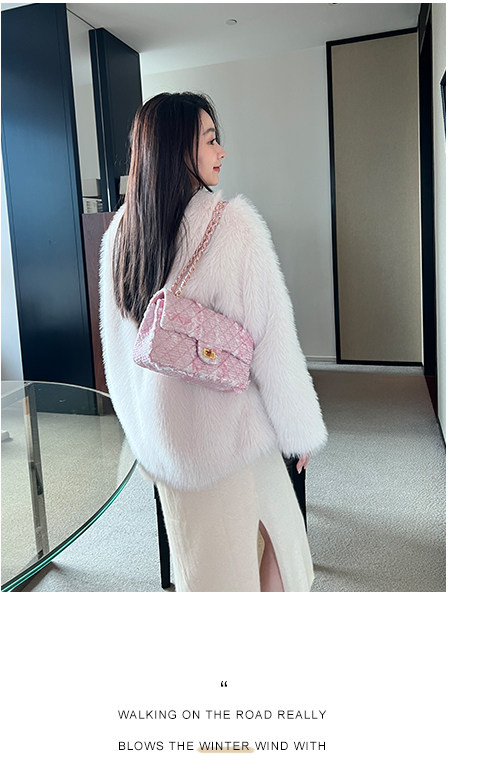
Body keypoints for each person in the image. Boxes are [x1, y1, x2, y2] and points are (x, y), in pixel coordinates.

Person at [99, 92, 328, 592]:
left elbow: (116, 350)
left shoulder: (120, 233)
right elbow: (272, 341)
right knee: (282, 551)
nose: (221, 151)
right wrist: (299, 431)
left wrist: (144, 438)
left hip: (166, 446)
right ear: (176, 148)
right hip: (230, 440)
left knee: (204, 573)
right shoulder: (231, 225)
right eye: (209, 140)